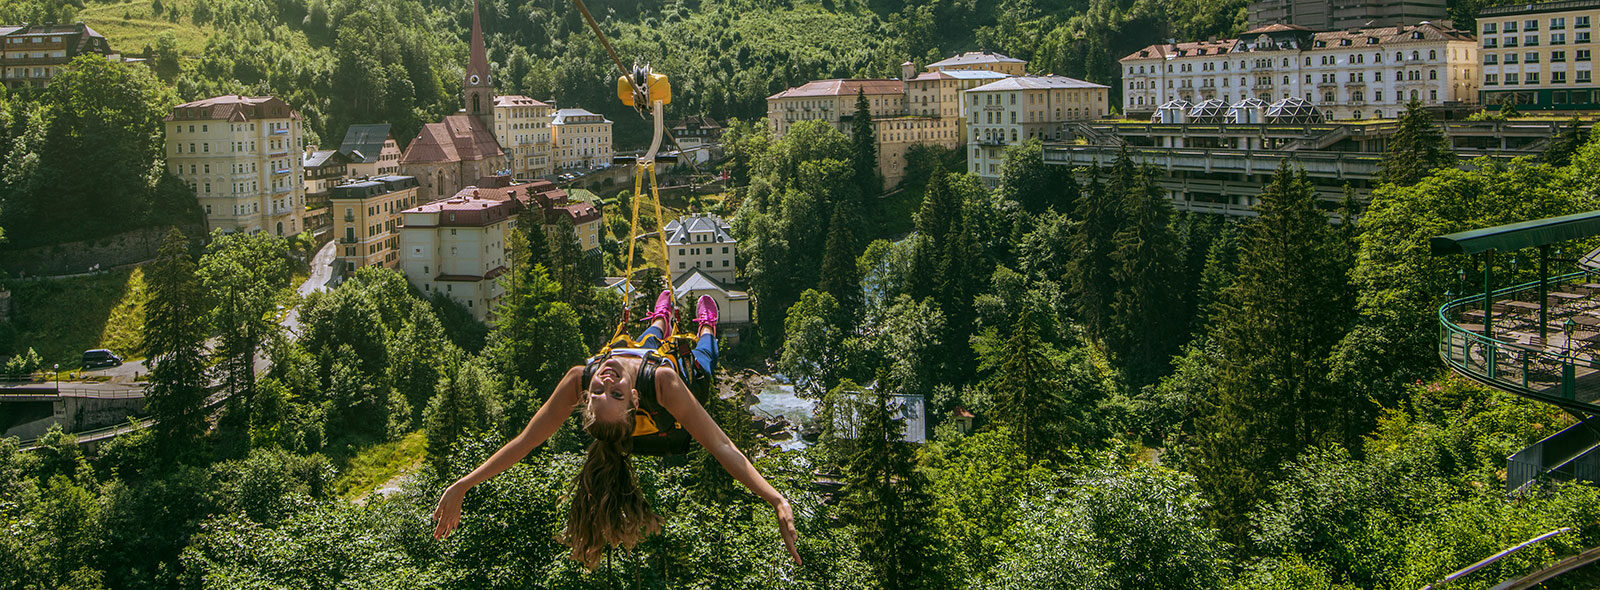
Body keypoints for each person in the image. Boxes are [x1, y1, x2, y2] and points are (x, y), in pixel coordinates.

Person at [431, 290, 801, 568]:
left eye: (599, 391)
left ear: (585, 398)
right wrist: (775, 498)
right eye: (616, 393)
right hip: (682, 374)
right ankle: (708, 326)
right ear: (635, 399)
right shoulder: (663, 383)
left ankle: (662, 318)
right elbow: (720, 445)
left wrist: (464, 484)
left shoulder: (582, 376)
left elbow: (527, 441)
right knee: (703, 355)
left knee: (645, 342)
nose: (606, 379)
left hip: (641, 353)